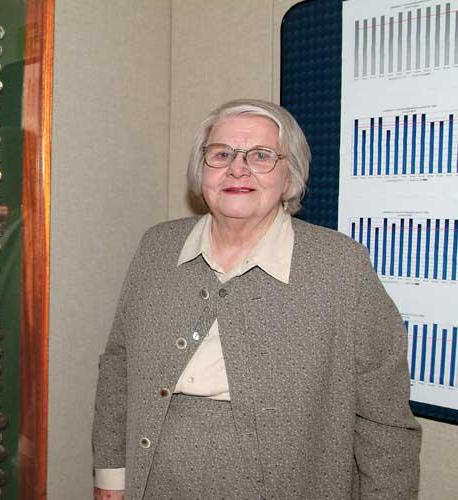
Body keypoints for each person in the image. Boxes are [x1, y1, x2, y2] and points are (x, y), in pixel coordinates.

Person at [92, 99, 421, 500]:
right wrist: (111, 475)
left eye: (261, 156)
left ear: (289, 176)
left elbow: (384, 421)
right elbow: (118, 366)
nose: (237, 168)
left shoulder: (341, 266)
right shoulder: (157, 247)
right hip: (154, 483)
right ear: (202, 169)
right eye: (222, 154)